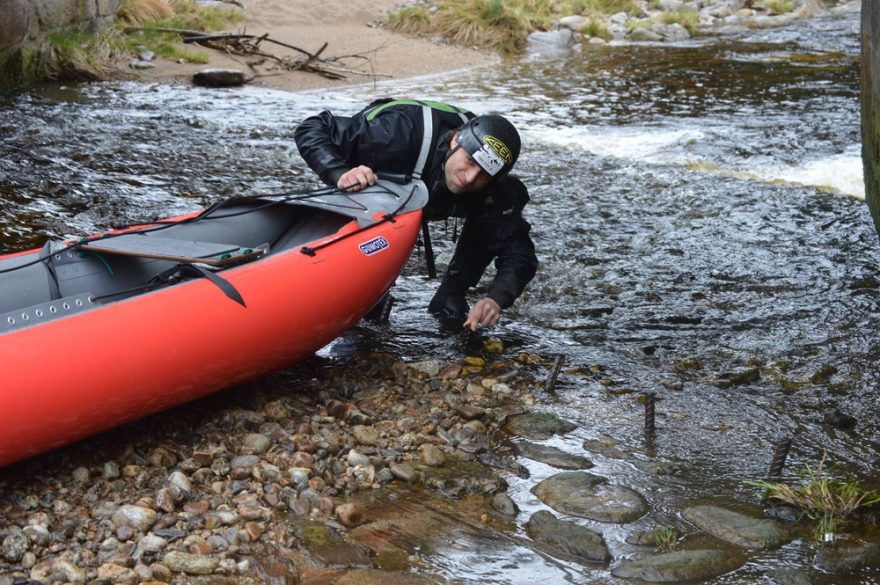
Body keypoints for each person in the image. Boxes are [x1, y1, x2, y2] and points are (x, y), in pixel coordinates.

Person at [294, 98, 538, 331]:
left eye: (484, 173)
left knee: (495, 213)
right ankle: (370, 288)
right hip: (385, 173)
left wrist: (495, 299)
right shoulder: (393, 135)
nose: (471, 177)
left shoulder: (493, 187)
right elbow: (313, 127)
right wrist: (340, 173)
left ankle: (452, 291)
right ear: (455, 141)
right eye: (470, 162)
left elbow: (519, 252)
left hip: (434, 188)